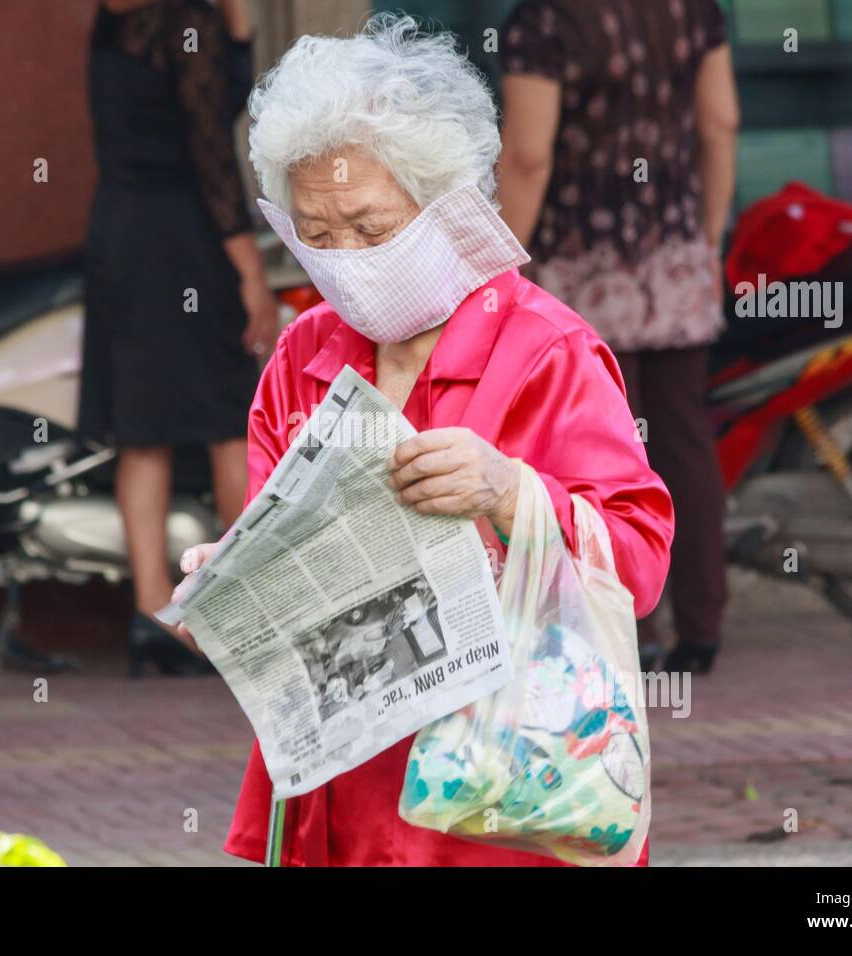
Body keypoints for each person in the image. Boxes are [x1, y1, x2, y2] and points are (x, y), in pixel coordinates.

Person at [174, 15, 673, 867]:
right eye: (316, 235)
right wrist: (226, 594)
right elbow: (278, 542)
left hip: (495, 795)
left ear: (446, 205)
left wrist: (509, 491)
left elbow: (639, 560)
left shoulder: (546, 350)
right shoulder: (303, 354)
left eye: (370, 229)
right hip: (334, 791)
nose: (343, 259)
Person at [496, 0, 739, 675]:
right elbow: (721, 122)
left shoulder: (543, 21)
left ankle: (631, 626)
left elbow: (528, 155)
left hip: (581, 266)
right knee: (686, 442)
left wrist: (496, 266)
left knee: (600, 455)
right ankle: (701, 628)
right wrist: (707, 237)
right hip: (675, 256)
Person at [80, 0, 279, 675]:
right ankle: (240, 612)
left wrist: (239, 29)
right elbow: (214, 154)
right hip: (185, 238)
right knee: (226, 420)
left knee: (145, 429)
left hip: (120, 230)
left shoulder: (116, 18)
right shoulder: (183, 23)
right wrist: (250, 271)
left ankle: (148, 614)